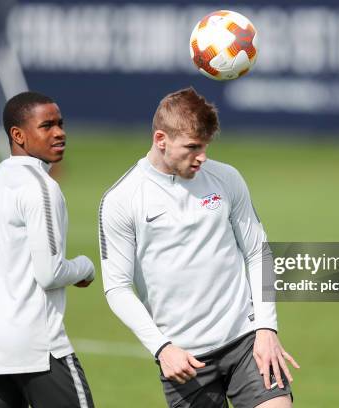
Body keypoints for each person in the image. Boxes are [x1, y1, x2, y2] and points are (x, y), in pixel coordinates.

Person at [99, 87, 299, 407]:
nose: (202, 157)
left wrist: (266, 328)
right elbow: (117, 288)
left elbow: (257, 251)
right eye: (192, 147)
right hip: (184, 360)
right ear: (161, 139)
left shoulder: (226, 178)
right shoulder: (122, 200)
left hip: (246, 340)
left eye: (205, 146)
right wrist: (162, 349)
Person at [0, 91, 96, 408]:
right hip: (38, 352)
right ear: (18, 135)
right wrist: (85, 267)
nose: (59, 132)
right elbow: (50, 273)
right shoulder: (40, 187)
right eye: (47, 125)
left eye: (60, 124)